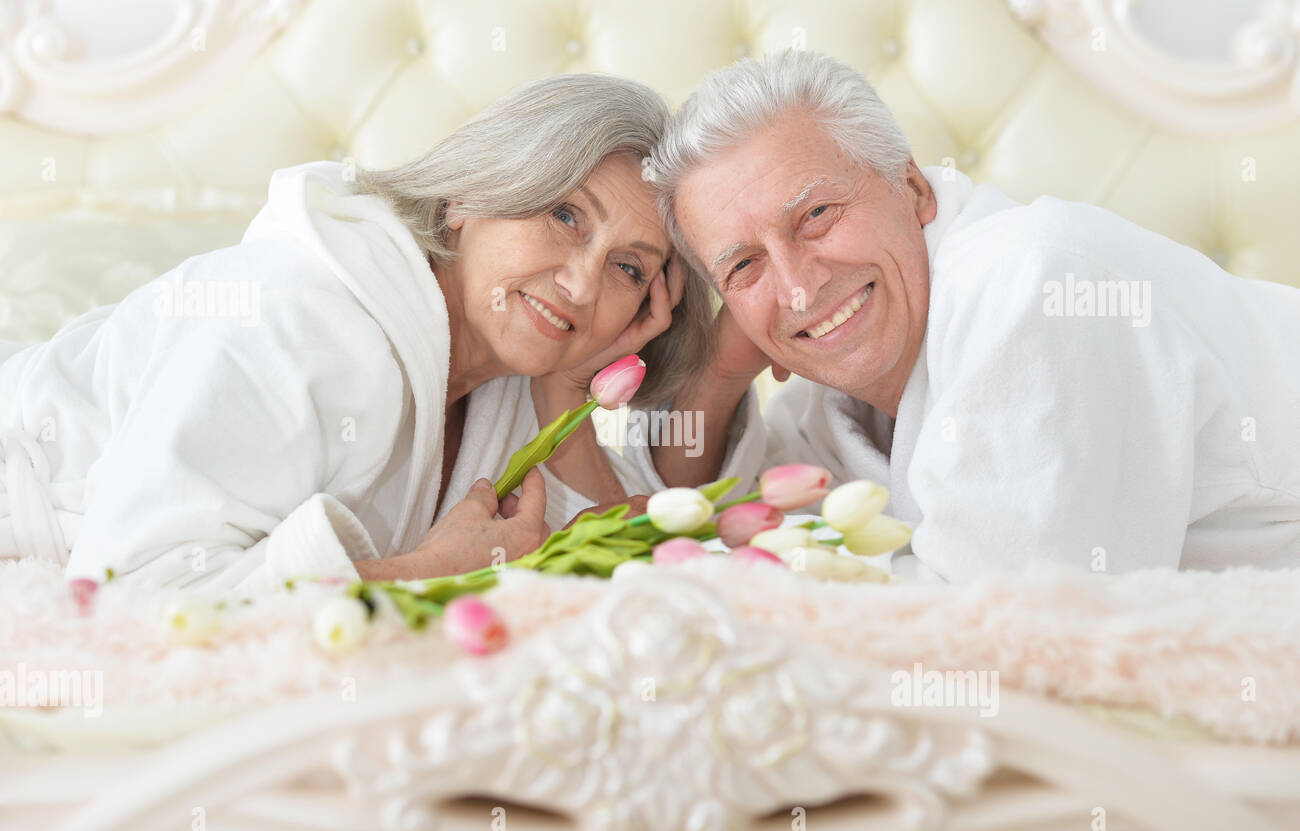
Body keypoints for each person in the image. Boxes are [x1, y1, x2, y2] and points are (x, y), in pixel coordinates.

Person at [0, 73, 712, 594]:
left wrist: (569, 386)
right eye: (565, 216)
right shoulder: (301, 321)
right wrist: (421, 573)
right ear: (468, 196)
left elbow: (604, 577)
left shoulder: (505, 377)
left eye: (627, 268)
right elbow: (126, 594)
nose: (584, 286)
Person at [634, 49, 1300, 582]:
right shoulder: (840, 396)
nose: (799, 287)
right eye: (743, 266)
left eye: (816, 215)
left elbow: (1011, 627)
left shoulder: (1030, 283)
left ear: (914, 189)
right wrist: (721, 370)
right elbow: (701, 517)